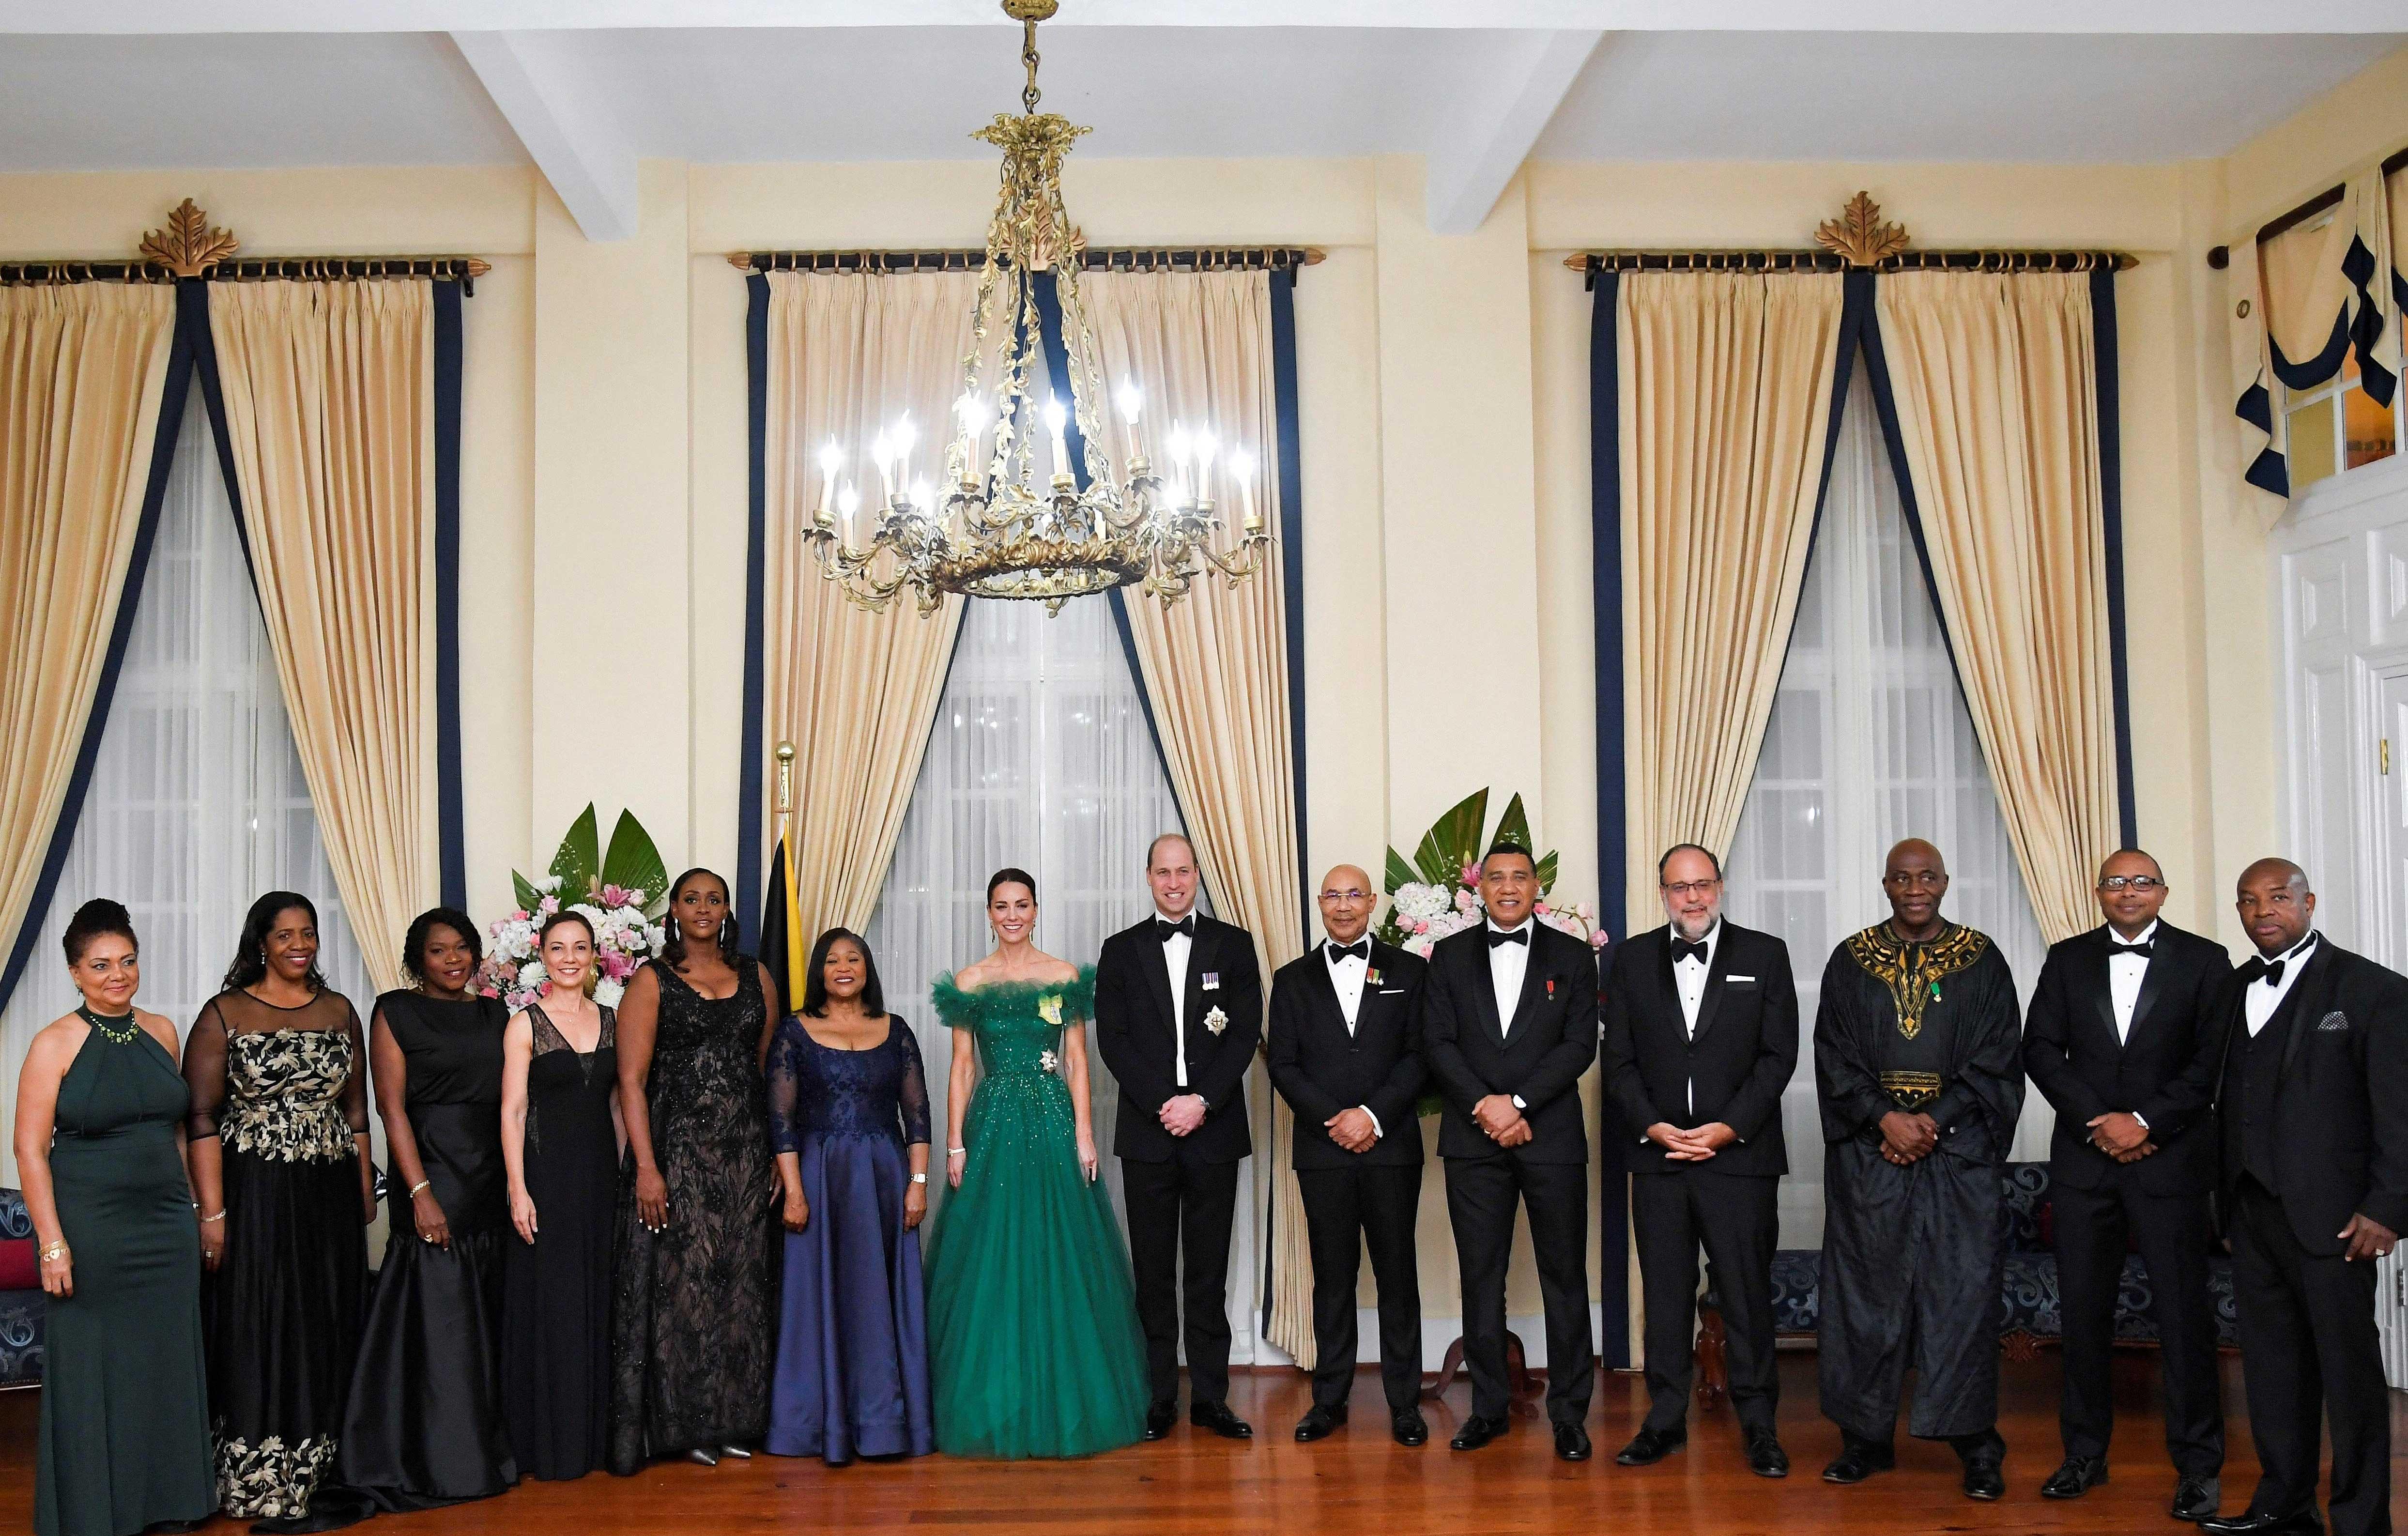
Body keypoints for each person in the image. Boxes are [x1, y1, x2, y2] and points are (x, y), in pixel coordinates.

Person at [2199, 859, 2408, 1536]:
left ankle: (2360, 1520)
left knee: (2349, 1378)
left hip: (2338, 1218)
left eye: (2279, 897)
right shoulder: (2231, 991)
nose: (2264, 910)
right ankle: (2284, 1504)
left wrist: (2387, 1206)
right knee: (2273, 1371)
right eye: (2249, 901)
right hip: (2251, 1212)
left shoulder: (2371, 990)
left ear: (2308, 901)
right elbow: (2224, 1102)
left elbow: (2399, 1111)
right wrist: (2222, 1204)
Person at [2021, 849, 2229, 1519]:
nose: (2129, 891)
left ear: (2162, 892)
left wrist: (2145, 1124)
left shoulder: (2204, 960)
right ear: (2098, 892)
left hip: (2168, 1165)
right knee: (2082, 1316)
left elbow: (2213, 1061)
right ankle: (2083, 1455)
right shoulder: (2066, 958)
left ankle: (2198, 1467)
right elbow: (2040, 1051)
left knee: (2183, 1318)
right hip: (2086, 1168)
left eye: (2142, 882)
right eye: (2116, 882)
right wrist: (2099, 1123)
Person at [1814, 839, 2022, 1501]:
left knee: (1958, 1298)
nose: (1914, 887)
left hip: (1956, 1157)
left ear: (1944, 881)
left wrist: (1931, 1121)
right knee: (1866, 1299)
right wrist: (1886, 1119)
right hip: (1870, 1158)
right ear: (1884, 884)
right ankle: (1864, 1440)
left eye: (1926, 876)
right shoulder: (1850, 962)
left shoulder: (1982, 961)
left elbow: (1998, 1057)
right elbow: (1833, 1057)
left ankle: (1975, 1444)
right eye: (1901, 878)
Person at [922, 868, 1149, 1458]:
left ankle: (1063, 1398)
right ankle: (996, 1398)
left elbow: (1076, 1060)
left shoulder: (1062, 976)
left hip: (1050, 1120)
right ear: (989, 913)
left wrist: (1084, 1134)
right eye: (1002, 906)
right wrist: (955, 1141)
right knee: (990, 1258)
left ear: (1036, 908)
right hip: (993, 1121)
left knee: (1058, 1256)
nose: (1012, 915)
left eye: (1022, 904)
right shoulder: (970, 981)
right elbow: (963, 1067)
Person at [14, 899, 214, 1536]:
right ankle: (96, 1512)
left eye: (127, 962)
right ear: (75, 972)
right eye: (100, 966)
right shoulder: (54, 1043)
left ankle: (168, 1502)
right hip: (91, 1225)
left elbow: (180, 1132)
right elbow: (28, 1148)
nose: (117, 976)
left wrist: (194, 1209)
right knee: (97, 1365)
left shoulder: (161, 1031)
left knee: (163, 1360)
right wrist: (52, 1243)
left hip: (165, 1224)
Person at [1599, 844, 1797, 1477]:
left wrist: (1728, 1128)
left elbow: (1778, 1056)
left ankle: (1760, 1425)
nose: (1692, 897)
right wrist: (1653, 1127)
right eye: (1679, 887)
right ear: (1662, 893)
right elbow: (1619, 1061)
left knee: (1744, 1294)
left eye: (1703, 884)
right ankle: (1663, 1420)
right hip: (1657, 1159)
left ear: (1720, 886)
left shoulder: (1765, 955)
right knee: (1663, 1294)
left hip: (1738, 1157)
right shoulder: (1628, 960)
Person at [184, 891, 374, 1524]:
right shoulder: (225, 1013)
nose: (299, 946)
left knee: (324, 1314)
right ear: (261, 942)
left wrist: (362, 1188)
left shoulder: (341, 1011)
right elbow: (202, 1118)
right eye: (286, 935)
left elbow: (355, 1111)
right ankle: (257, 1476)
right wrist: (213, 1214)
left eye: (309, 934)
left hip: (328, 1193)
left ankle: (326, 1466)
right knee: (262, 1316)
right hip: (256, 1190)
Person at [1420, 841, 1599, 1461]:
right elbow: (1437, 1043)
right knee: (1481, 1276)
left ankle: (1571, 1414)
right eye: (1494, 877)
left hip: (1550, 1138)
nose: (1506, 887)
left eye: (1517, 877)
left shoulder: (1573, 956)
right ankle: (1487, 1409)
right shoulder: (1446, 956)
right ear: (1479, 888)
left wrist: (1517, 1104)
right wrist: (1486, 1107)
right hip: (1472, 1141)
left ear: (1534, 887)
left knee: (1564, 1276)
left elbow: (1579, 1046)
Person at [338, 907, 518, 1509]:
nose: (454, 960)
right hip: (435, 1173)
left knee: (485, 1316)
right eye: (440, 951)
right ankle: (440, 1459)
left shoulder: (497, 1013)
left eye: (463, 948)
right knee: (439, 1319)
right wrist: (418, 1194)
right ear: (419, 959)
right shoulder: (394, 1010)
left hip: (492, 1172)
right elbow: (391, 1109)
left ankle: (491, 1450)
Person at [608, 868, 782, 1472]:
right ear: (674, 911)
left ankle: (736, 1420)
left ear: (728, 909)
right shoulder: (652, 981)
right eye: (691, 899)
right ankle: (686, 1428)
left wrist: (776, 1154)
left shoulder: (757, 975)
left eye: (714, 898)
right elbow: (630, 1080)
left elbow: (768, 1072)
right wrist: (648, 1169)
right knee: (684, 1290)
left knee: (740, 1286)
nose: (703, 908)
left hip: (742, 1153)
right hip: (676, 1154)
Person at [1093, 833, 1263, 1443]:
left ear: (1196, 875)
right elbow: (1112, 1041)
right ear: (1148, 877)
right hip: (1148, 1133)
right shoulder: (1119, 951)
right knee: (1155, 1271)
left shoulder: (1234, 945)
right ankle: (1159, 1394)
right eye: (1162, 873)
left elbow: (1245, 1034)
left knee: (1208, 1271)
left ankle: (1212, 1398)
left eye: (1183, 871)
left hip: (1213, 1132)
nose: (1173, 882)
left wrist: (1202, 1102)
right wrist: (1164, 1103)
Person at [1265, 864, 1430, 1447]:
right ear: (1318, 902)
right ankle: (1327, 1400)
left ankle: (1405, 1404)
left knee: (1396, 1275)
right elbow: (1281, 1063)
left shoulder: (1410, 971)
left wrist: (1373, 1117)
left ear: (1372, 901)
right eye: (1332, 895)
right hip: (1323, 1149)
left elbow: (1419, 1055)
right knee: (1332, 1278)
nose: (1342, 905)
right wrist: (1335, 1120)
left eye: (1353, 894)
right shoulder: (1290, 979)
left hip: (1390, 1149)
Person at [764, 928, 935, 1463]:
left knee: (879, 1296)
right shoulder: (795, 1030)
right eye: (833, 959)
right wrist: (793, 1191)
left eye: (854, 958)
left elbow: (918, 1115)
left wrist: (918, 1183)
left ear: (867, 968)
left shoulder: (897, 1030)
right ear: (819, 970)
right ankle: (814, 1426)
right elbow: (781, 1119)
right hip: (819, 1176)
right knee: (819, 1295)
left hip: (885, 1177)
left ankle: (883, 1422)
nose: (843, 967)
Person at [500, 909, 619, 1482]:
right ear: (541, 956)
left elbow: (619, 1108)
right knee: (553, 1305)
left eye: (579, 947)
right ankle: (550, 1444)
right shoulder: (524, 1024)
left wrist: (626, 1175)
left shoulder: (615, 1019)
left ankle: (592, 1438)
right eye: (558, 948)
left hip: (600, 1181)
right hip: (546, 1180)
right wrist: (517, 1188)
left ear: (595, 954)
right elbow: (513, 1110)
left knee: (597, 1298)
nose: (569, 958)